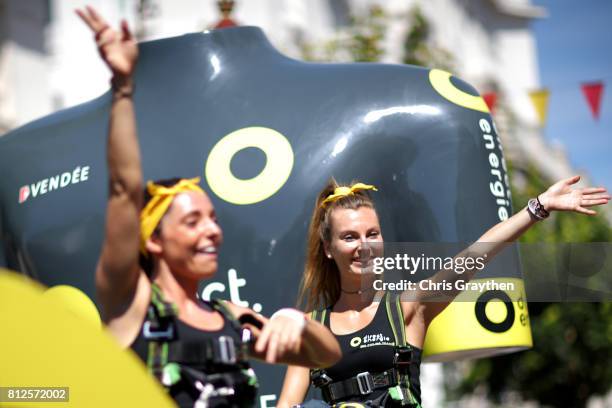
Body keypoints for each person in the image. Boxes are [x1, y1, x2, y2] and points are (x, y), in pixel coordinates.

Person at [75, 6, 341, 408]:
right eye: (192, 221)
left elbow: (326, 355)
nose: (212, 231)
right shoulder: (130, 304)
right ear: (155, 240)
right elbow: (123, 190)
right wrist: (123, 87)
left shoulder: (230, 320)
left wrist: (297, 321)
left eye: (213, 220)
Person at [277, 179, 609, 407]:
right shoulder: (310, 327)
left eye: (372, 234)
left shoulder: (407, 308)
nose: (364, 246)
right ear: (329, 248)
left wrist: (537, 208)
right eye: (350, 237)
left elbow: (474, 256)